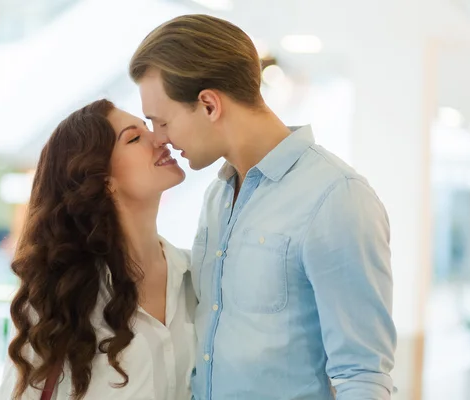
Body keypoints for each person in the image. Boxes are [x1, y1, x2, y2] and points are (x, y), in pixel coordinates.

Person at [129, 14, 397, 400]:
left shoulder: (336, 196)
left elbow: (363, 375)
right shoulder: (217, 196)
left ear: (208, 105)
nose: (160, 139)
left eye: (162, 122)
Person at [0, 99, 196, 400]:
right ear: (104, 181)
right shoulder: (63, 298)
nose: (160, 138)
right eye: (134, 137)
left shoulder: (197, 276)